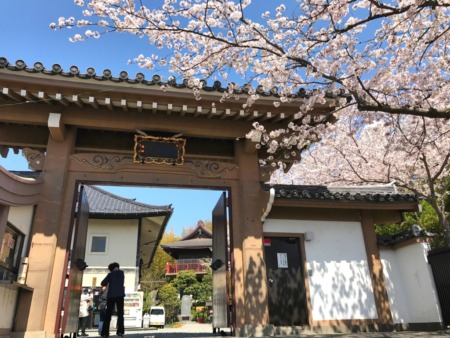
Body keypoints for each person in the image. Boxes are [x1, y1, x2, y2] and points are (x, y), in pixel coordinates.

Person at [100, 262, 125, 338]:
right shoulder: (122, 273)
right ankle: (120, 332)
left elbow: (102, 283)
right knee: (120, 314)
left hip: (111, 296)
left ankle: (105, 333)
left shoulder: (110, 275)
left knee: (108, 314)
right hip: (120, 295)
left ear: (111, 269)